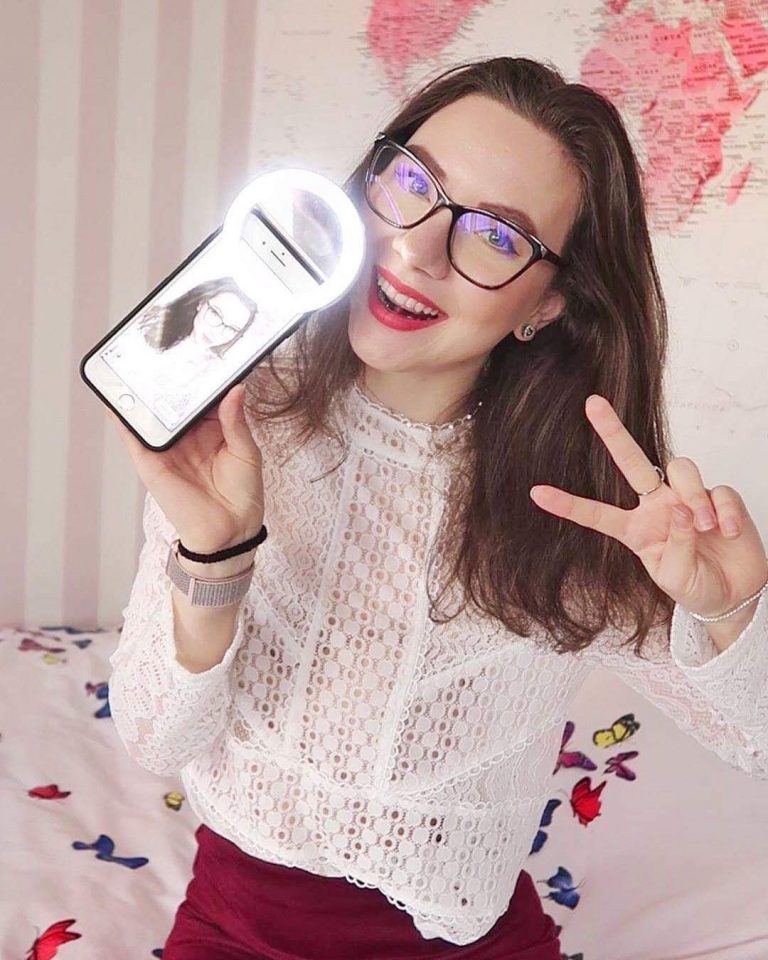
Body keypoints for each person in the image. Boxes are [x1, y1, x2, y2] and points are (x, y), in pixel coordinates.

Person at [107, 57, 768, 959]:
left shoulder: (582, 513)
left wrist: (732, 613)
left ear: (548, 303)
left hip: (469, 938)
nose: (414, 249)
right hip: (239, 929)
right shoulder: (240, 417)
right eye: (414, 184)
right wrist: (213, 559)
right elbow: (153, 737)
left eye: (495, 235)